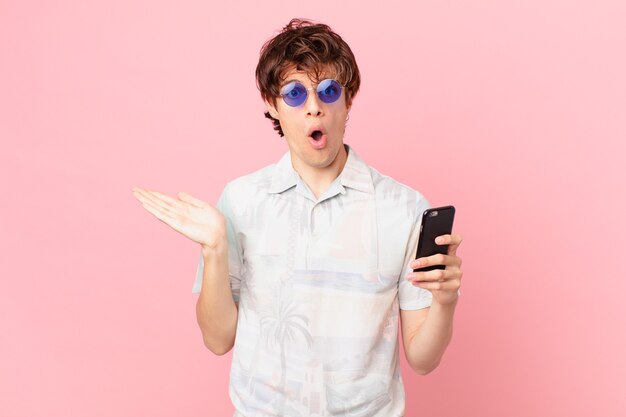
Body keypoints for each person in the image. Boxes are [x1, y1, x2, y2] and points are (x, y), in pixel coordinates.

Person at [132, 18, 463, 417]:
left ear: (348, 98)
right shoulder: (240, 201)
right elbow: (218, 340)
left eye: (328, 90)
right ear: (271, 104)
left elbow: (424, 360)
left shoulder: (403, 208)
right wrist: (215, 249)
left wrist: (445, 301)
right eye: (293, 94)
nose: (313, 107)